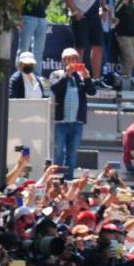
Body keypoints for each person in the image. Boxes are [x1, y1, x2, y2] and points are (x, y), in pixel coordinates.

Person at [50, 47, 97, 175]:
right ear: (63, 61)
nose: (73, 61)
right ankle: (55, 181)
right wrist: (67, 75)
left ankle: (68, 180)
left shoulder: (81, 76)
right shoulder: (56, 74)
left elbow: (92, 92)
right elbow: (55, 89)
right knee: (58, 153)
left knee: (72, 154)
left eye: (75, 58)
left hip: (77, 123)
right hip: (61, 122)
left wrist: (87, 78)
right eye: (70, 59)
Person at [62, 0, 105, 79]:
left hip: (94, 13)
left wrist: (103, 7)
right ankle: (78, 78)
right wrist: (75, 12)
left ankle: (96, 79)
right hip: (79, 14)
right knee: (80, 48)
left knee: (98, 46)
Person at [113, 0, 134, 86]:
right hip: (123, 34)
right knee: (131, 59)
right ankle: (122, 80)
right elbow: (116, 14)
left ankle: (124, 84)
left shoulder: (133, 1)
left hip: (132, 34)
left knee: (126, 60)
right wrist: (124, 3)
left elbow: (132, 16)